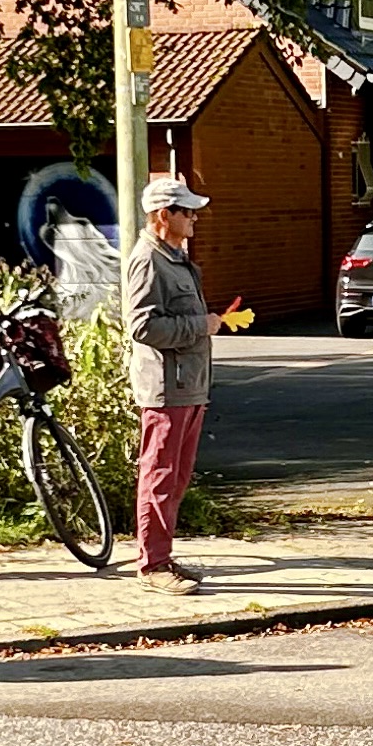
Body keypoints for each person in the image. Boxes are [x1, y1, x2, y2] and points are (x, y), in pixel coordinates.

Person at [124, 173, 229, 596]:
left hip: (189, 385)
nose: (195, 219)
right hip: (166, 388)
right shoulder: (148, 260)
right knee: (160, 475)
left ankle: (162, 557)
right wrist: (200, 325)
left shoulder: (174, 257)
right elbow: (142, 326)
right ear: (163, 215)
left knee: (177, 477)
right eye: (187, 212)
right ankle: (152, 566)